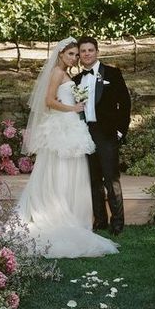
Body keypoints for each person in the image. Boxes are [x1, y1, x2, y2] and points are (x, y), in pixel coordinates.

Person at [14, 37, 118, 258]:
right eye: (70, 54)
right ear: (60, 54)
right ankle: (58, 214)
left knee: (77, 172)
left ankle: (75, 214)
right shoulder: (57, 73)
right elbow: (49, 101)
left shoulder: (71, 75)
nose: (74, 58)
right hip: (62, 127)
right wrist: (72, 108)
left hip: (73, 127)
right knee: (60, 170)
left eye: (76, 54)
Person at [73, 36, 131, 235]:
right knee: (94, 180)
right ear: (79, 55)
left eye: (90, 50)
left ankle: (117, 223)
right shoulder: (76, 80)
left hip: (106, 134)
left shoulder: (112, 74)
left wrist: (120, 130)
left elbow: (125, 103)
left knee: (111, 179)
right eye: (83, 51)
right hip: (85, 134)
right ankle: (100, 221)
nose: (87, 54)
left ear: (97, 51)